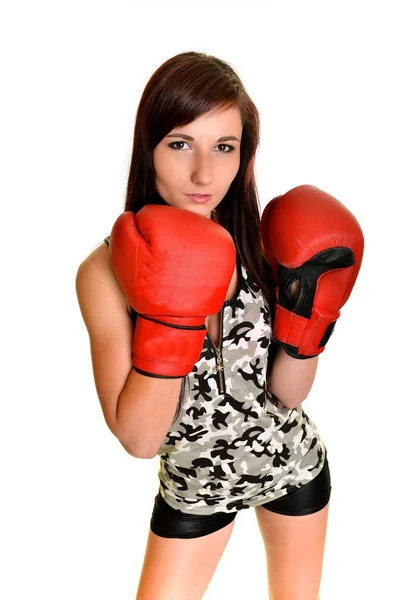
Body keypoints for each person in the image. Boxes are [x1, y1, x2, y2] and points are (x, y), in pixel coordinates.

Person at [75, 52, 363, 600]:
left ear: (243, 157)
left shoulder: (265, 243)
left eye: (223, 147)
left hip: (292, 465)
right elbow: (139, 439)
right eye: (180, 143)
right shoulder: (104, 273)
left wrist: (311, 325)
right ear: (149, 149)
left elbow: (286, 393)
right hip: (194, 491)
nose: (204, 173)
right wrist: (169, 312)